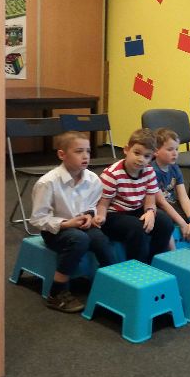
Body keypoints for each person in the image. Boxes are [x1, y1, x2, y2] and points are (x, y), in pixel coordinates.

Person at [29, 131, 116, 313]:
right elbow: (38, 219)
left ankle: (111, 283)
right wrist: (66, 223)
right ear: (62, 154)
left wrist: (90, 216)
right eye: (78, 151)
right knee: (79, 239)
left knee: (100, 239)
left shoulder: (93, 179)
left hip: (80, 225)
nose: (85, 156)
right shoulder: (48, 183)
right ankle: (56, 293)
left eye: (88, 151)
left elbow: (92, 205)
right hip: (55, 231)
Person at [95, 128, 172, 263]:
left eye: (147, 156)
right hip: (113, 215)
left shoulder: (149, 171)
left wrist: (150, 212)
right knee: (137, 228)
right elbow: (103, 204)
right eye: (137, 153)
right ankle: (138, 266)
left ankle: (154, 261)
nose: (141, 159)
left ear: (152, 157)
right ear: (126, 150)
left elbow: (150, 201)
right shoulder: (112, 174)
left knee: (165, 223)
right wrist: (100, 218)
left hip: (135, 210)